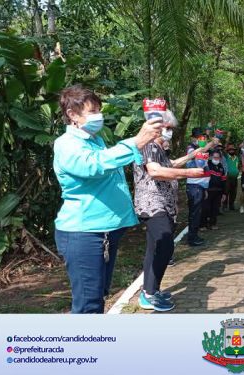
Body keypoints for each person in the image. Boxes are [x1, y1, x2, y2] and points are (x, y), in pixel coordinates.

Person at [53, 85, 162, 313]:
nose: (98, 116)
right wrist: (136, 142)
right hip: (84, 233)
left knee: (99, 295)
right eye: (92, 111)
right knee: (88, 304)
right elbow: (95, 165)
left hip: (102, 232)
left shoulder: (95, 140)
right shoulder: (67, 144)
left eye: (99, 110)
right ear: (72, 114)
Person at [133, 110, 204, 312]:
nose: (169, 132)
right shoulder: (148, 145)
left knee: (154, 247)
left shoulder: (157, 148)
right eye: (168, 128)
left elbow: (169, 164)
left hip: (163, 204)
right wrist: (188, 173)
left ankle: (150, 290)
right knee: (164, 245)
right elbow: (155, 171)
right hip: (153, 205)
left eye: (171, 128)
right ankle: (149, 292)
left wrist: (192, 155)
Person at [185, 129, 214, 246]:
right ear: (193, 138)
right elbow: (199, 162)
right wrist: (209, 145)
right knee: (195, 213)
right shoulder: (191, 149)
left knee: (197, 212)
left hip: (200, 185)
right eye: (199, 138)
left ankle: (194, 235)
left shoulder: (201, 150)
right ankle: (192, 238)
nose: (202, 140)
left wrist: (205, 188)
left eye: (203, 138)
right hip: (194, 185)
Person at [201, 150, 227, 230]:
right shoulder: (207, 165)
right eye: (214, 157)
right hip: (208, 191)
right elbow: (203, 179)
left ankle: (213, 224)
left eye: (217, 157)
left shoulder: (221, 167)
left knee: (215, 209)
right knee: (205, 208)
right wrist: (204, 190)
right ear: (211, 157)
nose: (216, 159)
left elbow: (223, 181)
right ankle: (203, 225)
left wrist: (224, 193)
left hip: (218, 191)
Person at [222, 143, 240, 211]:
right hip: (227, 177)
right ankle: (224, 206)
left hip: (235, 177)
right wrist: (227, 142)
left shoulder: (236, 157)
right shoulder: (226, 156)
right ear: (228, 150)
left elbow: (237, 166)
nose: (231, 151)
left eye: (233, 150)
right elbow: (224, 150)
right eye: (230, 150)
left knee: (233, 192)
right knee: (226, 191)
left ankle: (231, 205)